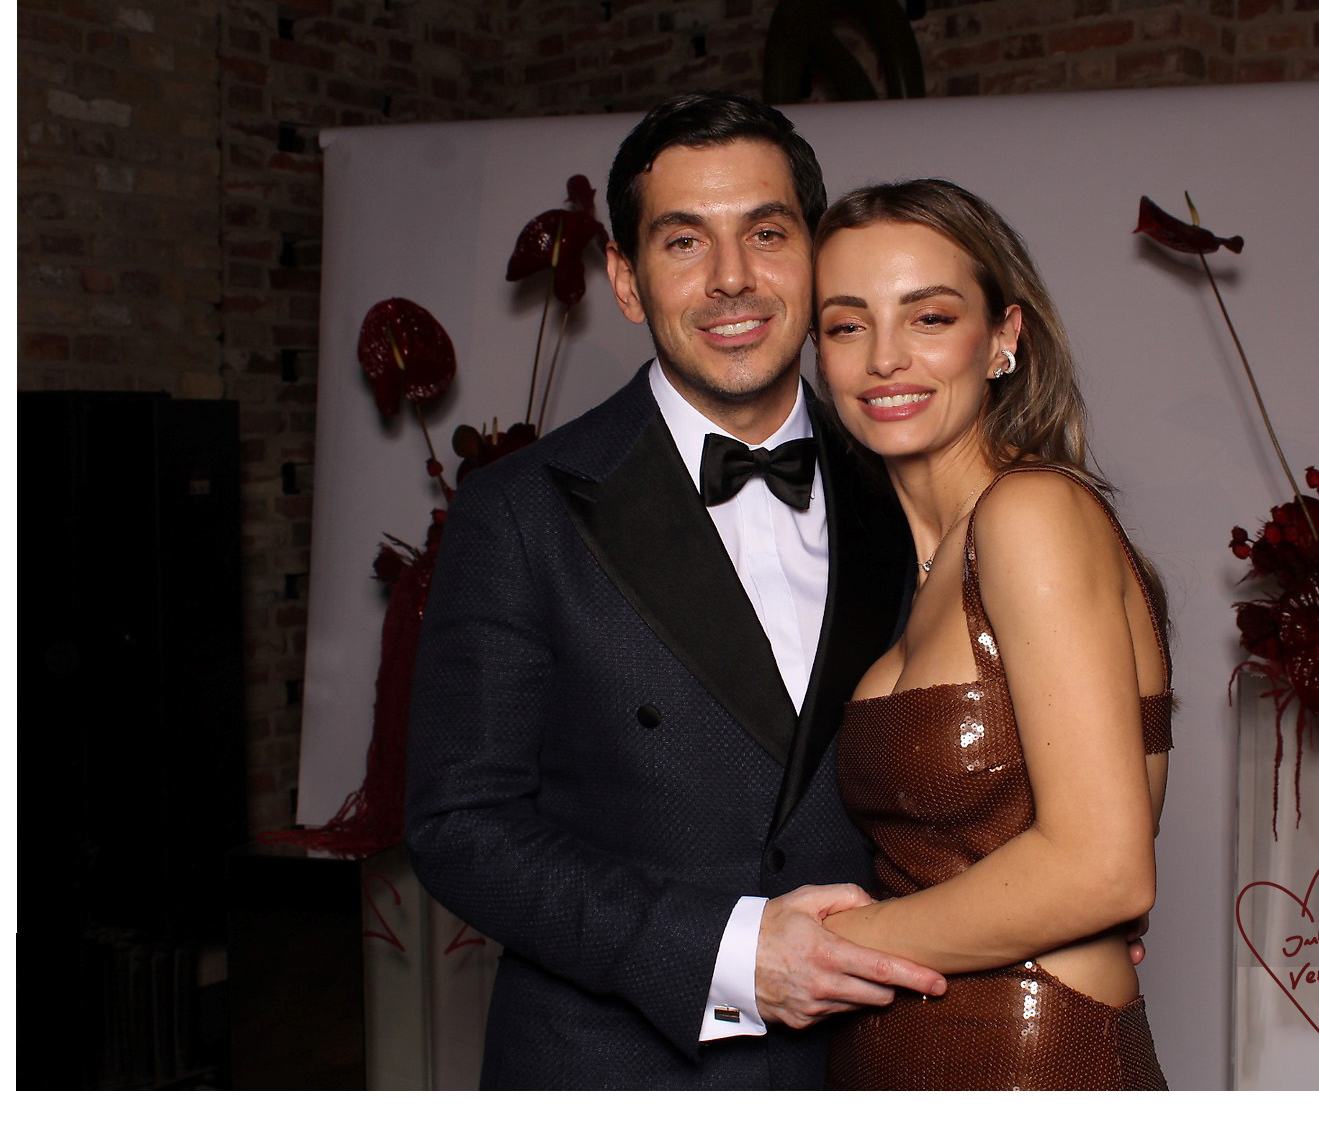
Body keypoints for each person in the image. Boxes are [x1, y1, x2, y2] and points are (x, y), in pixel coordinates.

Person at [404, 92, 946, 1090]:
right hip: (615, 1072)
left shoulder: (910, 486)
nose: (732, 277)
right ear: (626, 278)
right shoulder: (517, 511)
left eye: (767, 233)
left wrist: (1038, 914)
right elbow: (460, 826)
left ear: (815, 255)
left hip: (875, 1061)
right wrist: (727, 954)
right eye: (685, 241)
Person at [809, 179, 1173, 1089]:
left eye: (929, 317)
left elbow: (1103, 871)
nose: (884, 358)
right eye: (847, 326)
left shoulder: (1031, 514)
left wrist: (826, 951)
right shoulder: (911, 567)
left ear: (1005, 337)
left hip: (1026, 1061)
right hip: (888, 1061)